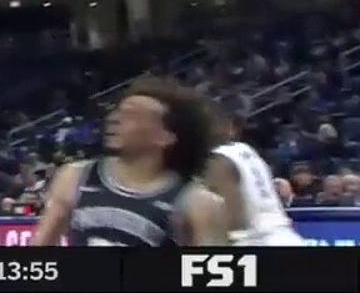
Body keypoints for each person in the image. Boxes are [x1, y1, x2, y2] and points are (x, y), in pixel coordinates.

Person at [31, 77, 227, 246]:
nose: (115, 119)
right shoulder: (75, 177)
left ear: (165, 137)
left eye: (132, 114)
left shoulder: (197, 203)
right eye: (118, 112)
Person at [205, 111, 304, 246]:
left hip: (255, 241)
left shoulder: (218, 158)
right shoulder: (247, 151)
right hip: (285, 236)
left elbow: (235, 219)